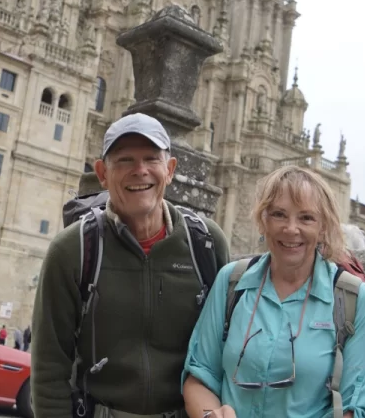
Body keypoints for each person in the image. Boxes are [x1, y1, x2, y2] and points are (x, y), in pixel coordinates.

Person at [32, 113, 230, 418]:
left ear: (170, 170)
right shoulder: (72, 250)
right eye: (124, 160)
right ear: (102, 173)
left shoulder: (205, 243)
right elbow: (49, 368)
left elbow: (226, 350)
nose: (140, 171)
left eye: (151, 159)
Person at [182, 166, 365, 418]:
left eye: (306, 218)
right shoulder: (232, 282)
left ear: (323, 227)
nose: (291, 229)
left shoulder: (355, 301)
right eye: (279, 214)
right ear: (262, 220)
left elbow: (358, 408)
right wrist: (211, 415)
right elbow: (200, 375)